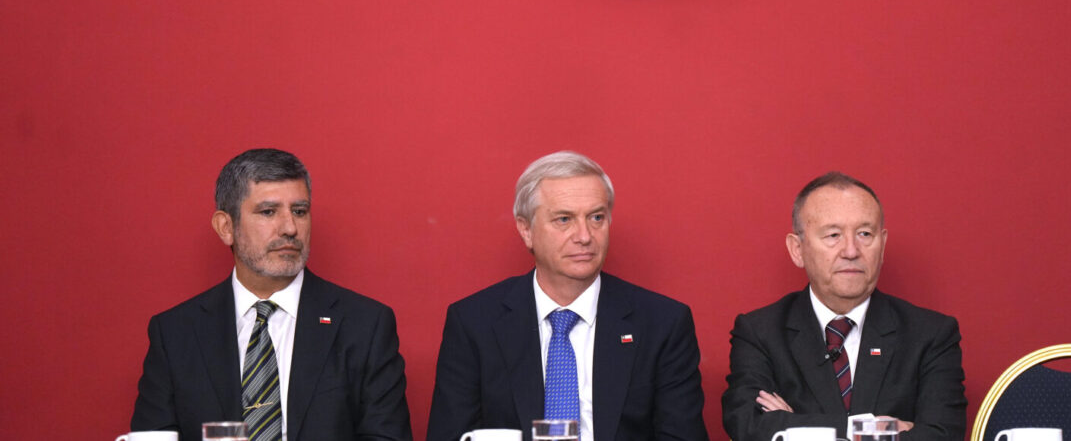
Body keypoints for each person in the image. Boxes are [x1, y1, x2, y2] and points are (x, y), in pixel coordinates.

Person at [130, 148, 412, 441]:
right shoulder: (175, 333)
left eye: (299, 211)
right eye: (268, 212)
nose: (290, 228)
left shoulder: (365, 326)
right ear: (226, 227)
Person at [426, 151, 709, 441]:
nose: (585, 236)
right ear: (526, 229)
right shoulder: (474, 323)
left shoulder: (663, 323)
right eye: (564, 219)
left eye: (596, 217)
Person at [722, 172, 966, 441]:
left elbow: (942, 435)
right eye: (833, 235)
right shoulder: (760, 333)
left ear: (882, 245)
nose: (851, 251)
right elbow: (749, 426)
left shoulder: (931, 334)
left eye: (864, 234)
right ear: (797, 249)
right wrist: (873, 430)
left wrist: (795, 425)